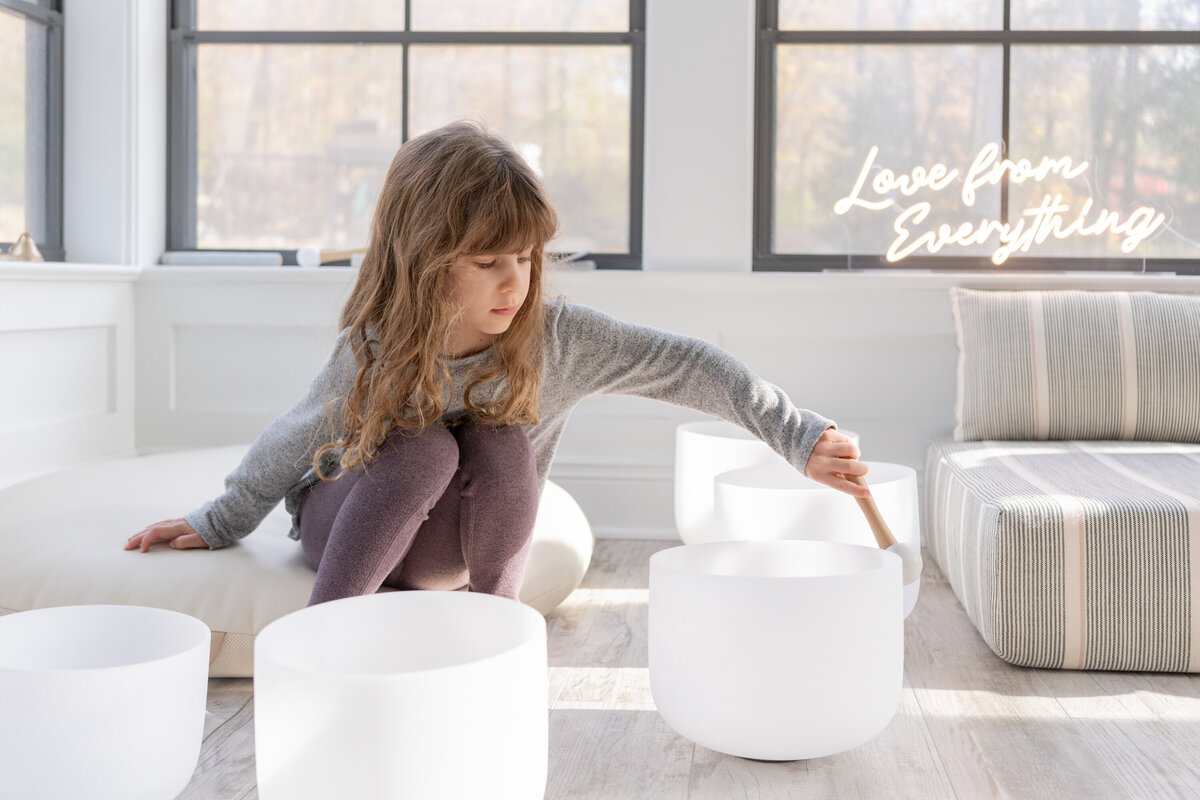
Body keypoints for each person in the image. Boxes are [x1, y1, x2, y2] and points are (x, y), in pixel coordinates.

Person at [124, 120, 868, 607]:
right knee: (420, 447)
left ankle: (496, 628)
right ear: (426, 262)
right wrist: (221, 519)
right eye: (488, 262)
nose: (516, 281)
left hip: (451, 553)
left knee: (498, 440)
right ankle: (328, 635)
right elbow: (296, 434)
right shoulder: (381, 344)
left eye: (526, 257)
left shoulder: (559, 339)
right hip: (347, 521)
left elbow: (691, 365)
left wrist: (796, 436)